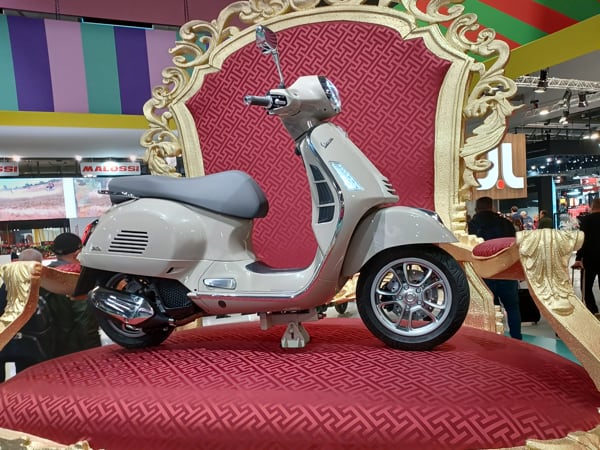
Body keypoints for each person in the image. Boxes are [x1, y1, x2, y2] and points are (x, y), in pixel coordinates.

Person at [468, 196, 522, 339]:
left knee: (489, 310)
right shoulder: (505, 223)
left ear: (476, 208)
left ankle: (494, 340)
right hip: (506, 271)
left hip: (484, 272)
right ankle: (517, 339)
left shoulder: (471, 226)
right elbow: (515, 246)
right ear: (492, 207)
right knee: (512, 307)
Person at [0, 248, 55, 381]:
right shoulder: (44, 285)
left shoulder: (6, 284)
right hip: (34, 343)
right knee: (31, 378)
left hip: (7, 340)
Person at [44, 233, 101, 357]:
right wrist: (96, 353)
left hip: (51, 349)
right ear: (77, 252)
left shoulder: (45, 276)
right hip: (77, 350)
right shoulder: (77, 279)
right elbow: (85, 322)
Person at [572, 199, 600, 315]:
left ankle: (593, 311)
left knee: (586, 287)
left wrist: (578, 258)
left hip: (589, 258)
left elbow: (582, 241)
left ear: (591, 207)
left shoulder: (585, 220)